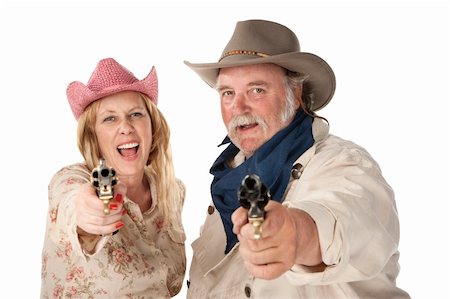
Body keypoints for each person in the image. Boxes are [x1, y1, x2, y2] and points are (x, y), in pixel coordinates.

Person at [184, 19, 410, 298]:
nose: (238, 107)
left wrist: (295, 233)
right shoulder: (230, 176)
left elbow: (346, 219)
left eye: (257, 90)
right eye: (228, 93)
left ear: (296, 93)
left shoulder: (344, 164)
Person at [41, 58, 186, 298]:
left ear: (153, 126)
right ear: (93, 135)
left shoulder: (173, 191)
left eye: (136, 114)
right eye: (110, 118)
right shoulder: (70, 180)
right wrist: (89, 215)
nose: (126, 127)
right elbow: (73, 203)